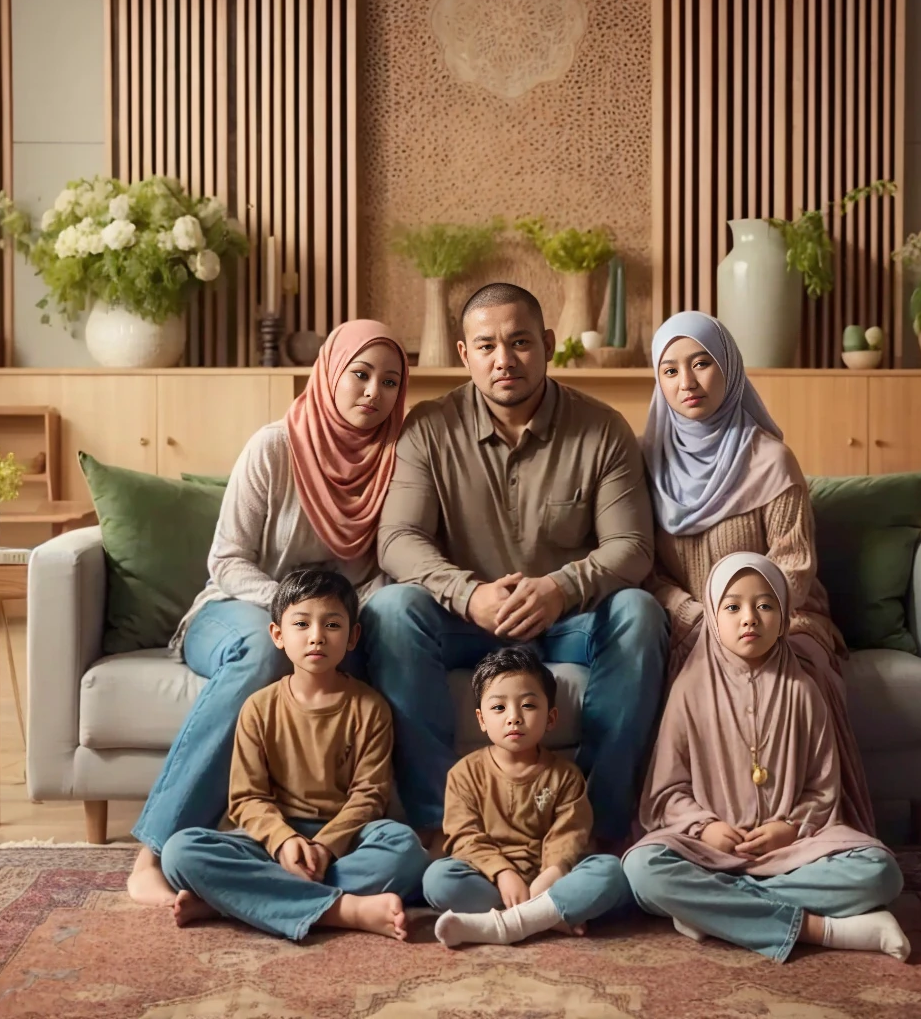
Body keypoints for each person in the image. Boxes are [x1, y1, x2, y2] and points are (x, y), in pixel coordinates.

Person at [365, 282, 665, 845]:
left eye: (520, 342)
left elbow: (632, 546)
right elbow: (398, 539)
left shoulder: (601, 429)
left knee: (639, 612)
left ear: (548, 344)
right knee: (391, 607)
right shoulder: (429, 428)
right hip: (465, 622)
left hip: (565, 621)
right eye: (486, 346)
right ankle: (440, 825)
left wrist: (559, 587)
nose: (504, 360)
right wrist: (468, 593)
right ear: (464, 354)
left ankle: (593, 828)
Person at [128, 320, 410, 905]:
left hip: (333, 619)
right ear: (330, 373)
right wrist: (295, 615)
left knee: (380, 630)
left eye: (389, 382)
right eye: (360, 375)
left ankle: (296, 865)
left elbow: (389, 565)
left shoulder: (395, 462)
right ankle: (151, 854)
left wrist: (341, 616)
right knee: (263, 647)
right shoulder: (275, 446)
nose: (372, 393)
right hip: (237, 608)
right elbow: (227, 561)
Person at [643, 310, 874, 833]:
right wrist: (694, 612)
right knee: (662, 674)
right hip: (689, 621)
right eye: (671, 370)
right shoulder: (646, 465)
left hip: (780, 617)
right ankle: (704, 829)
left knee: (802, 671)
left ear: (729, 367)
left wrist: (742, 618)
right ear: (657, 381)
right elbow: (645, 568)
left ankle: (802, 826)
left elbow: (794, 563)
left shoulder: (771, 460)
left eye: (701, 364)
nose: (688, 382)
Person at [621, 552, 910, 963]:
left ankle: (710, 910)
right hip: (710, 853)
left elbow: (823, 789)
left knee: (880, 873)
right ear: (714, 618)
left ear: (785, 614)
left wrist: (789, 828)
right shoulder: (689, 689)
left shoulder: (803, 689)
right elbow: (667, 792)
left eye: (765, 605)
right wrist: (705, 829)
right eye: (733, 606)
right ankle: (825, 930)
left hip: (793, 853)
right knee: (642, 870)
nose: (749, 618)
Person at [160, 567, 428, 940]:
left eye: (332, 626)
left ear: (352, 637)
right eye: (301, 624)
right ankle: (344, 910)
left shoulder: (370, 707)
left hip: (344, 844)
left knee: (405, 849)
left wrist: (324, 847)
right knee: (179, 852)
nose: (316, 637)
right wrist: (284, 841)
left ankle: (234, 901)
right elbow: (247, 798)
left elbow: (370, 797)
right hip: (272, 842)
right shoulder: (258, 707)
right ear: (278, 635)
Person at [424, 646, 633, 947]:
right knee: (437, 879)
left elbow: (570, 833)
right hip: (491, 879)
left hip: (549, 881)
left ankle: (511, 922)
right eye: (499, 708)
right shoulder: (464, 774)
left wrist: (553, 872)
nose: (514, 718)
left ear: (551, 717)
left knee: (610, 872)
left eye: (528, 706)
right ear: (481, 720)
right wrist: (503, 872)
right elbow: (463, 835)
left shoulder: (565, 775)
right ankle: (546, 917)